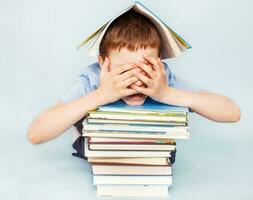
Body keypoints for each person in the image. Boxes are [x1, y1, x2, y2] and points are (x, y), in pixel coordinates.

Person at [28, 11, 241, 163]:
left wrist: (167, 93)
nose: (136, 82)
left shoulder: (162, 78)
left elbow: (232, 112)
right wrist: (101, 95)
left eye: (146, 68)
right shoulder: (94, 77)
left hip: (151, 150)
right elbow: (36, 133)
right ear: (104, 63)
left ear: (159, 62)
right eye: (125, 72)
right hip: (97, 145)